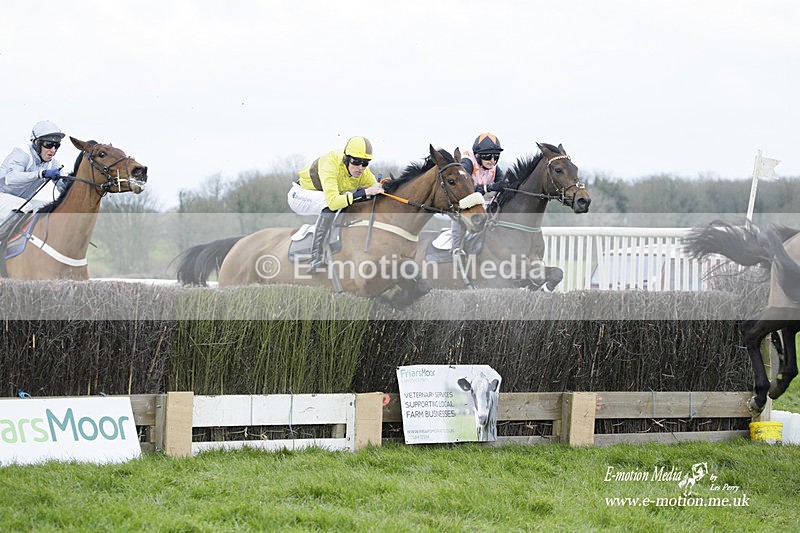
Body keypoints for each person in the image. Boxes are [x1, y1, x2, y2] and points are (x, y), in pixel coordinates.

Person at [288, 136, 384, 273]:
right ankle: (315, 256)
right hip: (299, 195)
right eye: (356, 162)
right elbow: (333, 203)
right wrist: (365, 192)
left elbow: (376, 190)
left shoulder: (363, 172)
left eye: (365, 163)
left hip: (323, 195)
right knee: (331, 203)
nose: (360, 168)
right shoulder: (330, 163)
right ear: (346, 158)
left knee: (352, 201)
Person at [450, 132, 506, 255]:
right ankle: (456, 248)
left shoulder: (494, 167)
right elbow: (464, 191)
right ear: (477, 155)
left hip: (479, 205)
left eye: (496, 156)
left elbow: (504, 186)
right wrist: (489, 187)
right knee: (462, 211)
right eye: (487, 156)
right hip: (459, 202)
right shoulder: (467, 163)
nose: (492, 160)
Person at [0, 120, 67, 220]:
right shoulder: (22, 153)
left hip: (20, 201)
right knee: (24, 206)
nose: (53, 150)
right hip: (3, 197)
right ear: (36, 142)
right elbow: (11, 179)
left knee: (48, 209)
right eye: (48, 144)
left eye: (56, 145)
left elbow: (64, 186)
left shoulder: (53, 164)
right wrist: (41, 174)